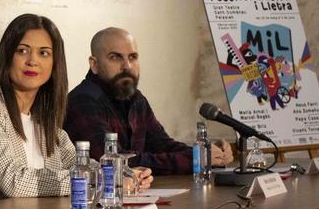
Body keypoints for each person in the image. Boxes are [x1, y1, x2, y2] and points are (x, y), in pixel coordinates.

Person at [0, 14, 150, 207]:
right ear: (6, 55)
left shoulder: (45, 123)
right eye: (22, 50)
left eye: (43, 53)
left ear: (54, 64)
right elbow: (14, 182)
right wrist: (100, 180)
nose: (32, 61)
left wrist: (123, 174)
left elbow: (83, 165)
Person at [65, 27, 233, 174]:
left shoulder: (136, 99)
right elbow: (114, 163)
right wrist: (196, 159)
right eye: (115, 57)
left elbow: (163, 145)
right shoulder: (82, 101)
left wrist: (205, 152)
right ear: (94, 64)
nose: (127, 66)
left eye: (132, 57)